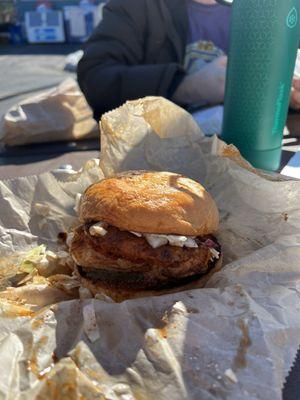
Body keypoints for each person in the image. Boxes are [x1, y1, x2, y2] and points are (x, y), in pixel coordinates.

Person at [77, 0, 300, 121]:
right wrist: (184, 86)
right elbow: (95, 79)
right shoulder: (136, 7)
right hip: (153, 162)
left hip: (249, 163)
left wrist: (284, 98)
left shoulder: (265, 11)